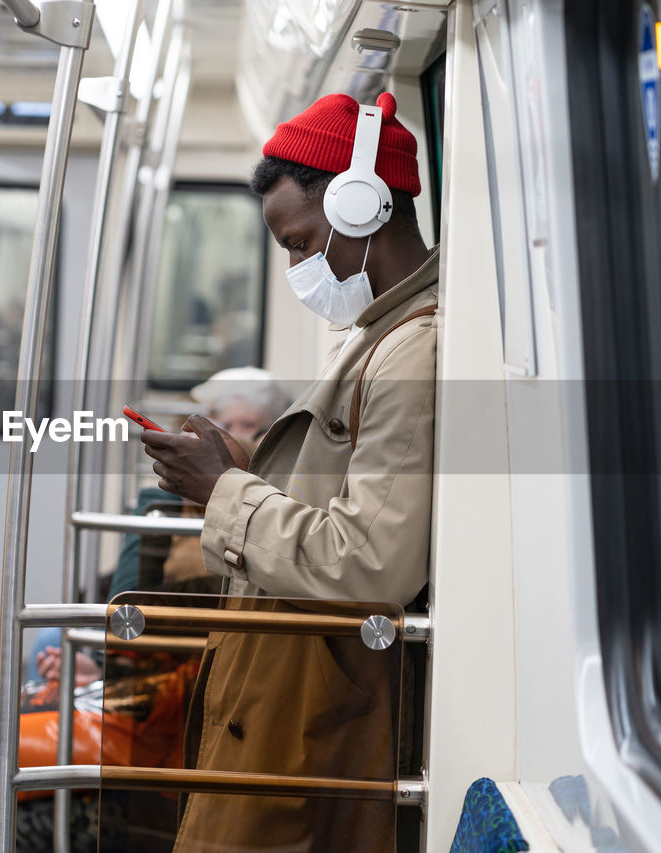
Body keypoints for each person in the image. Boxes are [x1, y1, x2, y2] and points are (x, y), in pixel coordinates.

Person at [142, 92, 437, 850]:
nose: (302, 270)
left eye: (303, 243)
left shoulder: (413, 351)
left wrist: (223, 490)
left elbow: (370, 561)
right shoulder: (379, 335)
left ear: (362, 203)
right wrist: (243, 471)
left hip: (331, 703)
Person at [30, 368, 292, 686]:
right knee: (49, 641)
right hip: (154, 633)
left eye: (249, 427)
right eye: (224, 426)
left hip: (187, 646)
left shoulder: (277, 505)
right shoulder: (163, 501)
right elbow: (130, 593)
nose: (233, 438)